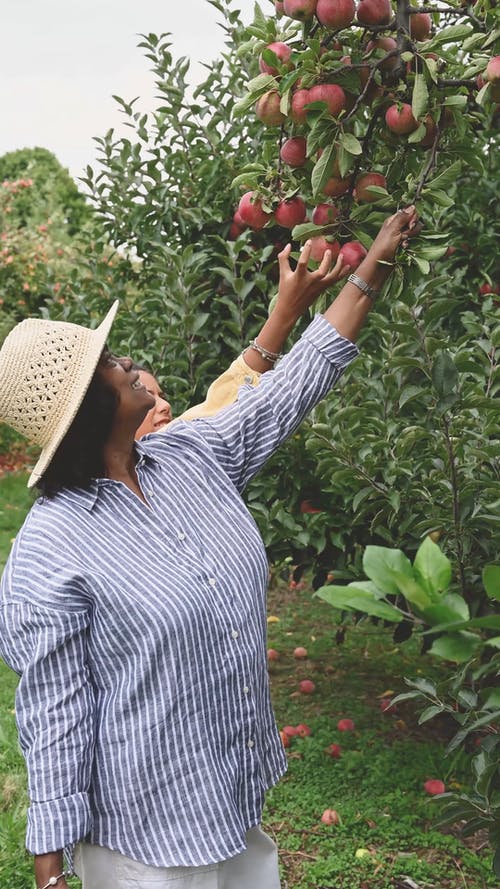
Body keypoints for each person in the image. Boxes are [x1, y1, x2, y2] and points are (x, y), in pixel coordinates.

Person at [0, 207, 419, 889]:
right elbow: (54, 705)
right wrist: (50, 855)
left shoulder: (192, 454)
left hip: (230, 798)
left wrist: (373, 264)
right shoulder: (51, 549)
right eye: (108, 362)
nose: (128, 359)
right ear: (82, 412)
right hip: (145, 843)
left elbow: (296, 381)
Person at [134, 249, 351, 439]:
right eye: (146, 399)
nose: (165, 406)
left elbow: (223, 397)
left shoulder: (180, 450)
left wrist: (287, 310)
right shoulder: (173, 456)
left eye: (161, 396)